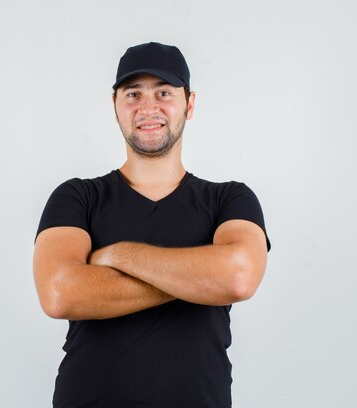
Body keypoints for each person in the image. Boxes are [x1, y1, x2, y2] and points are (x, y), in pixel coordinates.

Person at [33, 42, 271, 408]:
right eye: (133, 94)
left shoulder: (229, 200)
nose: (148, 107)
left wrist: (118, 255)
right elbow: (59, 293)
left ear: (189, 105)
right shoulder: (77, 197)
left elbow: (237, 277)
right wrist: (201, 279)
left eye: (164, 92)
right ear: (115, 106)